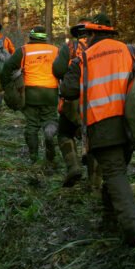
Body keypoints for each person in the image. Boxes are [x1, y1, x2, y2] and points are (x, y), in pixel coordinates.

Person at [59, 13, 135, 246]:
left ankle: (132, 229)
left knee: (114, 174)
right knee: (115, 172)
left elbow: (68, 91)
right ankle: (108, 221)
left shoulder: (83, 58)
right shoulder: (131, 51)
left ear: (93, 34)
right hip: (132, 125)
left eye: (88, 35)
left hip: (102, 126)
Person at [52, 17, 101, 189]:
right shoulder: (101, 47)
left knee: (65, 133)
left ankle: (73, 166)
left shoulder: (70, 47)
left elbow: (57, 69)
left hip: (74, 98)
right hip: (99, 98)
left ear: (77, 33)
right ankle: (94, 184)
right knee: (94, 138)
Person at [0, 26, 59, 164]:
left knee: (32, 125)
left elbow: (6, 69)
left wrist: (7, 87)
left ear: (31, 37)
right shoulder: (55, 50)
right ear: (45, 37)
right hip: (51, 93)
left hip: (30, 94)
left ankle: (33, 157)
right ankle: (49, 134)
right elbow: (64, 69)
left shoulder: (23, 50)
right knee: (50, 119)